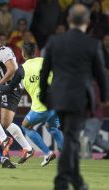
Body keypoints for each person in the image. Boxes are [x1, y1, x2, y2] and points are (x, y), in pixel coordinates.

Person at [39, 4, 108, 190]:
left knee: (70, 137)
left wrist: (44, 95)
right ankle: (61, 182)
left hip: (58, 96)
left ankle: (77, 181)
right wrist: (105, 97)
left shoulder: (54, 41)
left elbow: (44, 72)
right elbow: (101, 74)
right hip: (79, 98)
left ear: (68, 21)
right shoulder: (93, 44)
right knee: (72, 138)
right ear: (87, 21)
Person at [0, 42, 64, 166]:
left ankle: (48, 153)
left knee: (26, 126)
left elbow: (10, 88)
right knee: (52, 127)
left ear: (23, 53)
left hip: (40, 107)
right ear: (36, 51)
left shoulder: (22, 69)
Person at [0, 35, 32, 159]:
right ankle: (5, 139)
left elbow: (12, 69)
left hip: (11, 89)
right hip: (3, 88)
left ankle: (27, 148)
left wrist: (0, 82)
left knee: (5, 123)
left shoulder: (3, 52)